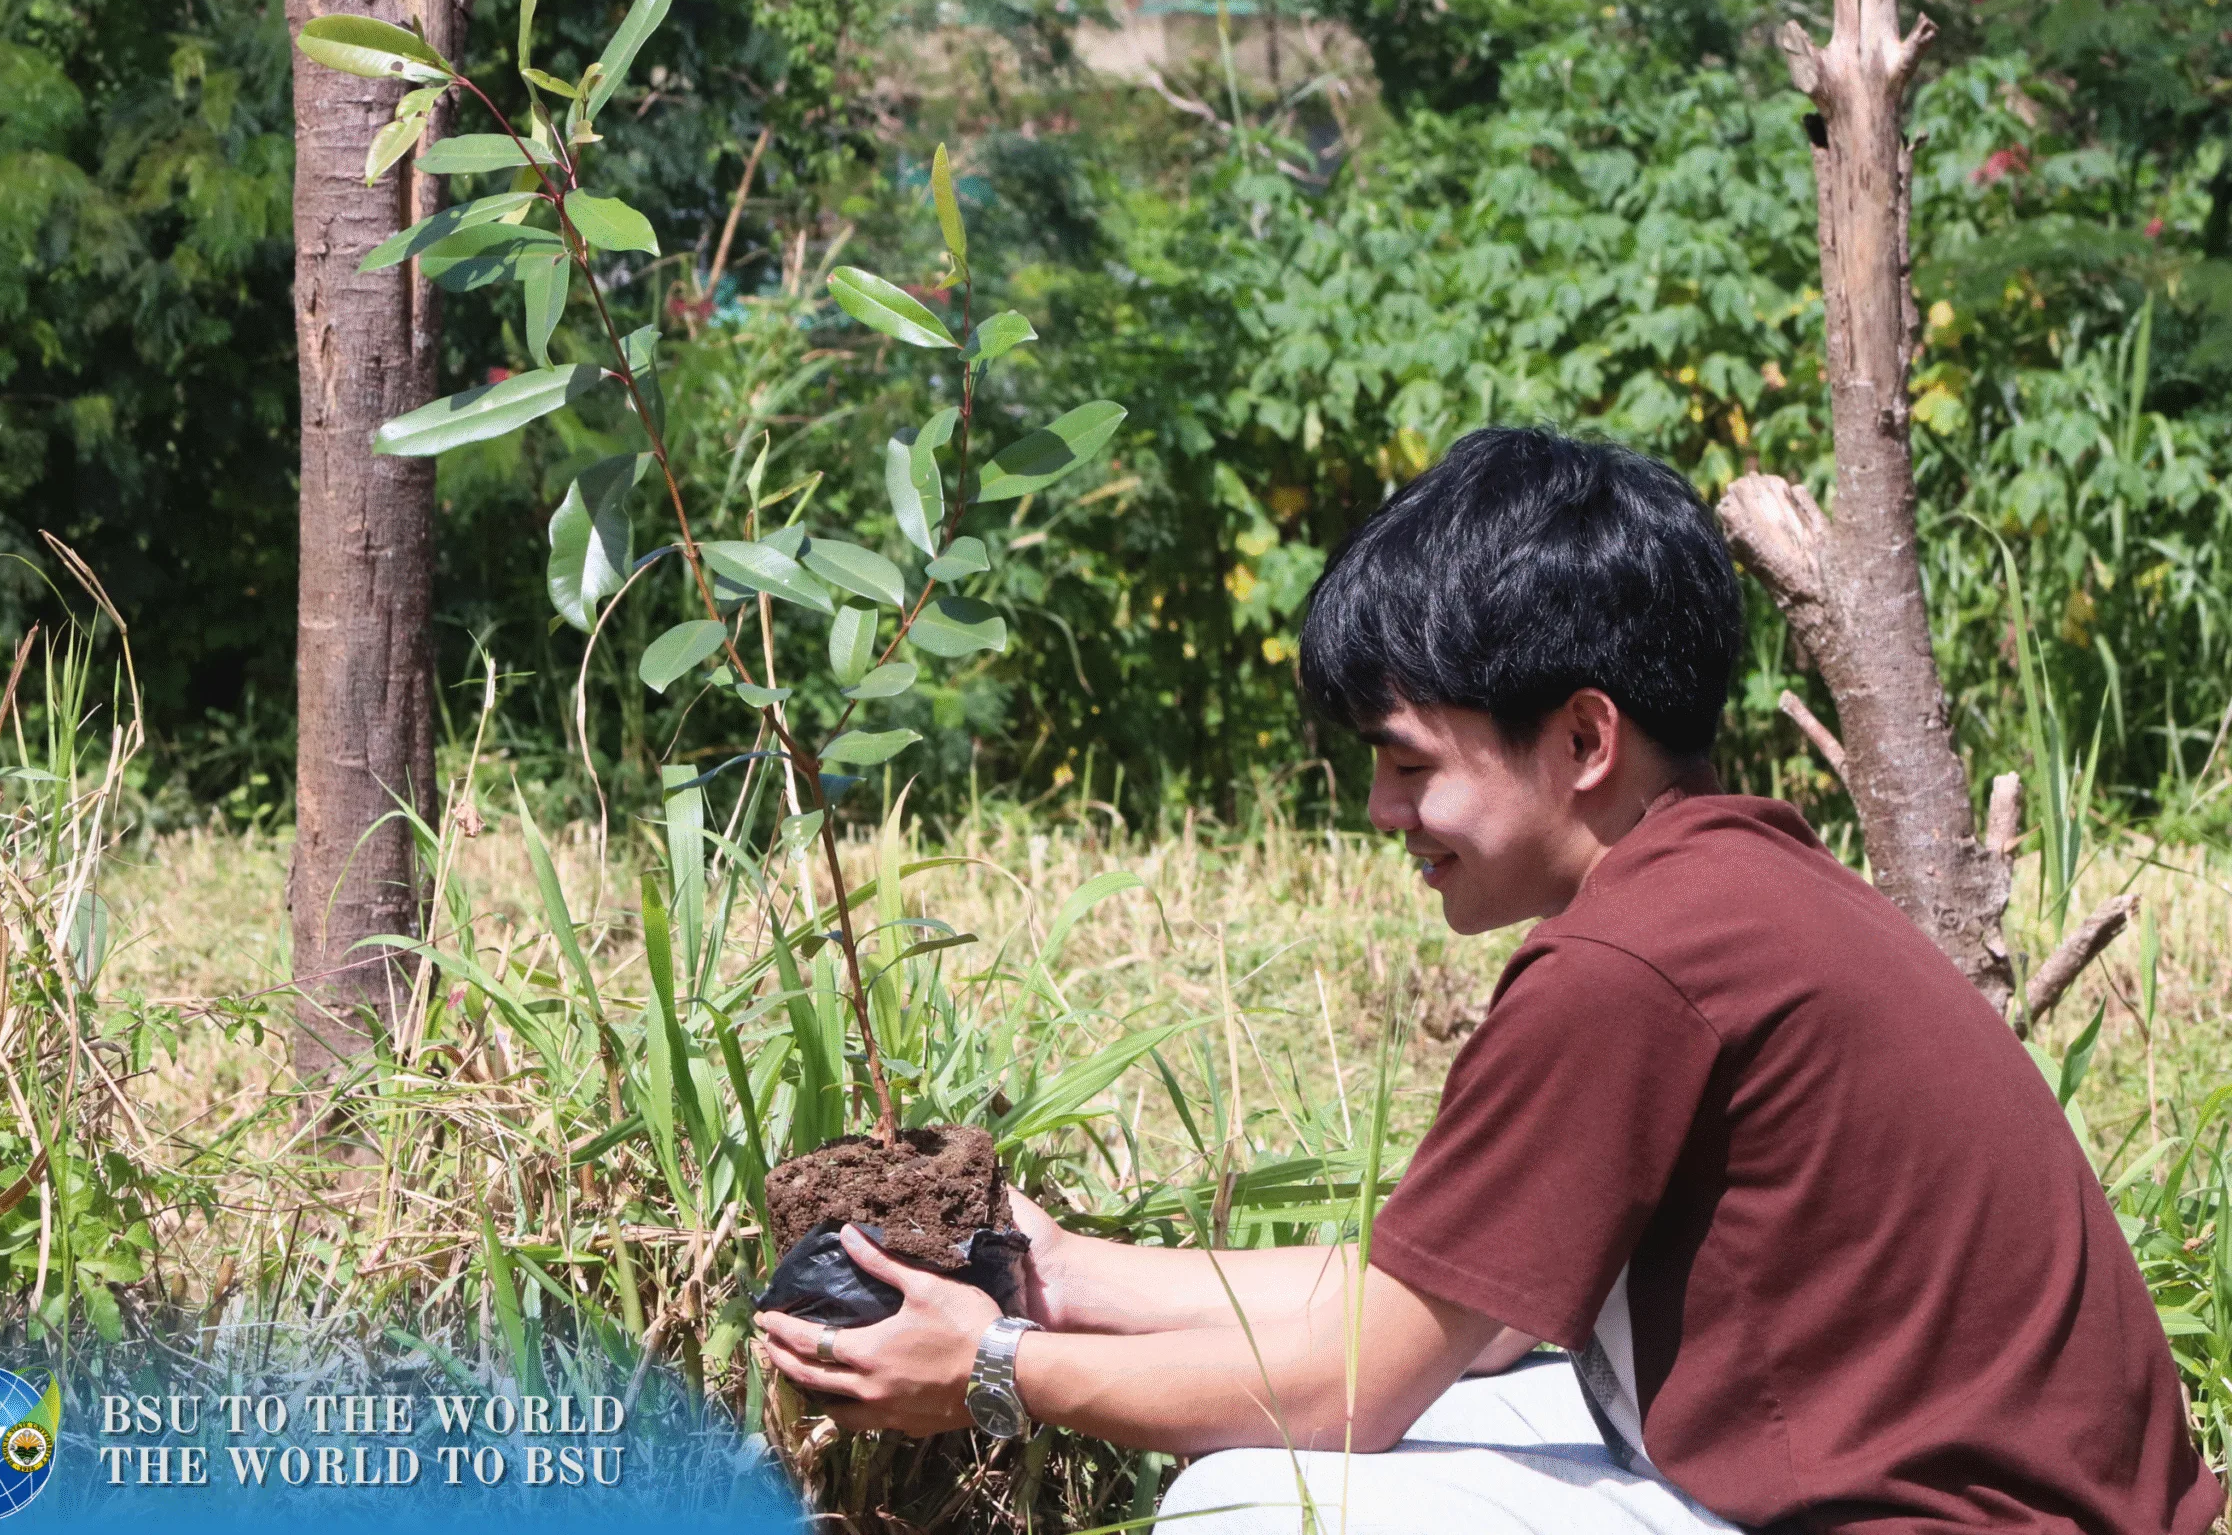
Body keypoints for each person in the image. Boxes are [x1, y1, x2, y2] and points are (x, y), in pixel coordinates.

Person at [755, 427, 2224, 1534]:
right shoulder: (1729, 888)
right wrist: (1051, 1271)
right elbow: (1412, 1302)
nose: (1384, 815)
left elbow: (1363, 1380)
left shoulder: (1633, 960)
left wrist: (997, 1369)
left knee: (1259, 1507)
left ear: (1584, 741)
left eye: (1408, 764)